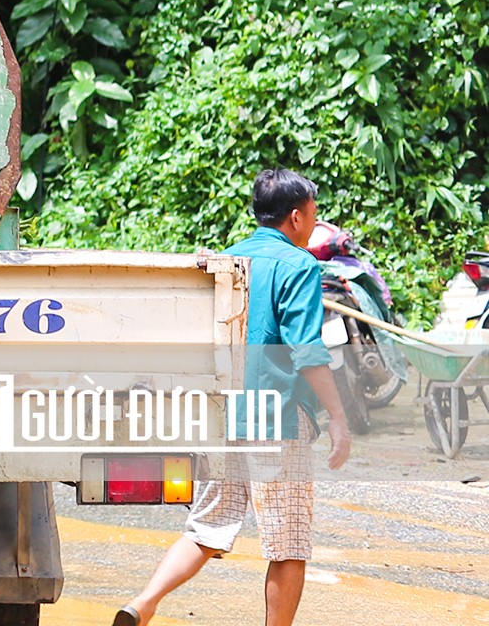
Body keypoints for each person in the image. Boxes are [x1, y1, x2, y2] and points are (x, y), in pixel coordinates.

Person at [116, 169, 354, 626]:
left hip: (221, 418)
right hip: (275, 420)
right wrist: (339, 419)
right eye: (314, 213)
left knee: (206, 528)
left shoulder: (226, 261)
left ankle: (142, 603)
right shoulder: (300, 265)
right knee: (288, 544)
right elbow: (305, 350)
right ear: (298, 216)